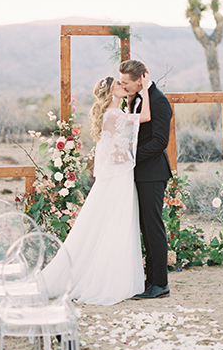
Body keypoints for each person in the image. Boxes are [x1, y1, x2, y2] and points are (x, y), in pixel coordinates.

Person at [41, 74, 151, 305]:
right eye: (119, 85)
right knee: (116, 222)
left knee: (108, 221)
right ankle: (108, 280)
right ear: (112, 92)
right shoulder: (114, 115)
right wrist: (147, 88)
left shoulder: (113, 114)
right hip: (119, 175)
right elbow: (146, 117)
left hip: (115, 174)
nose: (123, 86)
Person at [119, 59, 173, 299]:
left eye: (126, 83)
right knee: (145, 227)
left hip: (152, 173)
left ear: (140, 79)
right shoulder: (137, 99)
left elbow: (160, 141)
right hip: (140, 173)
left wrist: (131, 157)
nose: (123, 86)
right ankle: (150, 280)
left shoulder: (159, 102)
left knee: (153, 227)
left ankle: (160, 284)